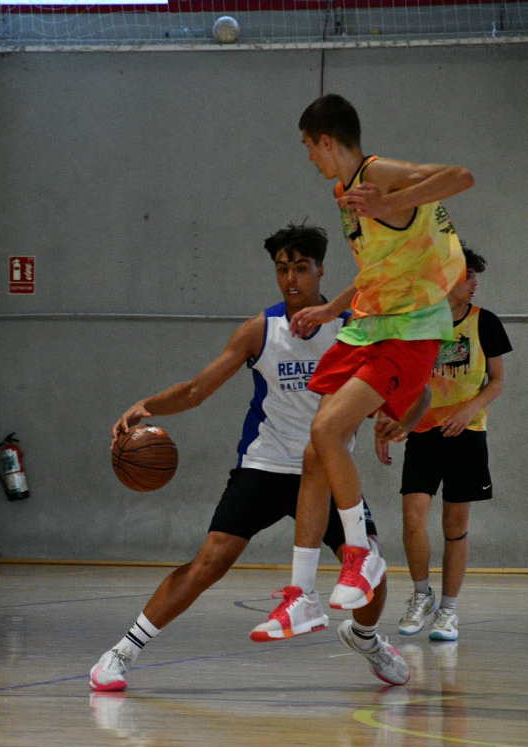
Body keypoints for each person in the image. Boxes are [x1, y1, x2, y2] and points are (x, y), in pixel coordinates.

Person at [89, 223, 411, 692]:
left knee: (370, 571)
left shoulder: (353, 327)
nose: (291, 279)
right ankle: (122, 651)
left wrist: (398, 419)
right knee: (210, 560)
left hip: (326, 471)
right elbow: (197, 390)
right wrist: (148, 405)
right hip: (265, 465)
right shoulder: (261, 330)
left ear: (321, 270)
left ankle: (365, 639)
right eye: (282, 269)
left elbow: (402, 388)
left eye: (301, 268)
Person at [251, 93, 474, 641]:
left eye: (308, 146)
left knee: (327, 430)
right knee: (315, 451)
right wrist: (331, 309)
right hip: (368, 323)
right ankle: (302, 596)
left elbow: (460, 177)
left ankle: (361, 555)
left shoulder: (378, 174)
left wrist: (394, 200)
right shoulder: (343, 192)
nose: (308, 156)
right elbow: (377, 270)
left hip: (409, 328)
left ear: (326, 141)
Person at [376, 245, 512, 641]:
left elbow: (497, 381)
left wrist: (469, 410)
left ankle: (449, 611)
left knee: (455, 524)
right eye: (467, 275)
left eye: (475, 276)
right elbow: (399, 377)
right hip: (423, 433)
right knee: (412, 517)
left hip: (466, 435)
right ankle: (422, 595)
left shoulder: (485, 322)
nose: (474, 283)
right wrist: (387, 419)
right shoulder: (420, 323)